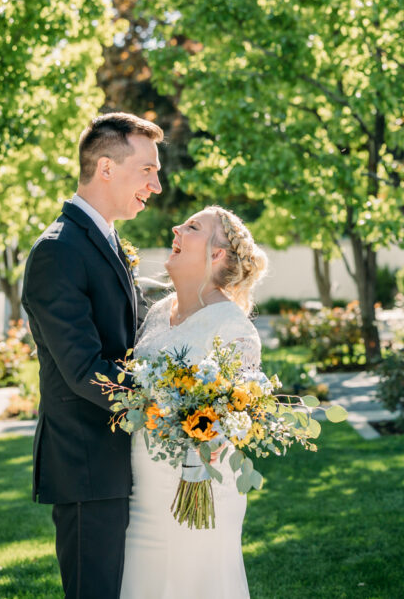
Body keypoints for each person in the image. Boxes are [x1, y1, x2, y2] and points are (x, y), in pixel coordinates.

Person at [21, 112, 163, 599]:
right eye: (147, 170)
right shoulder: (58, 252)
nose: (158, 185)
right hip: (87, 469)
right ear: (106, 167)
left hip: (118, 459)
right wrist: (166, 404)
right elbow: (85, 371)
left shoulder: (104, 241)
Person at [120, 206, 268, 599]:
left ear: (216, 254)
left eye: (192, 227)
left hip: (200, 486)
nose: (176, 228)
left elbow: (232, 419)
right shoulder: (155, 314)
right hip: (142, 488)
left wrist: (203, 445)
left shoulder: (234, 329)